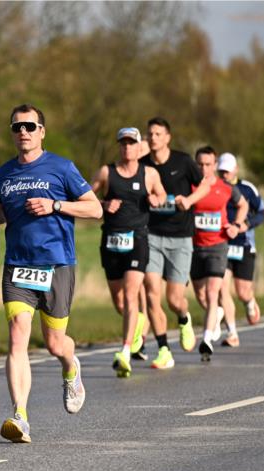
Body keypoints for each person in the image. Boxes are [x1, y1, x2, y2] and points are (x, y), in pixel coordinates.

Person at [0, 104, 102, 443]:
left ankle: (70, 366)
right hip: (18, 264)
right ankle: (20, 415)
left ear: (42, 131)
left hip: (57, 264)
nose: (23, 132)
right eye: (17, 127)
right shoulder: (4, 173)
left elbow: (95, 208)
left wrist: (56, 205)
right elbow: (6, 211)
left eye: (30, 126)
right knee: (18, 334)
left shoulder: (61, 168)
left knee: (54, 343)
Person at [90, 127, 167, 377]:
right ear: (119, 146)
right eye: (123, 143)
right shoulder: (106, 172)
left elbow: (161, 193)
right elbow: (85, 199)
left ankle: (124, 351)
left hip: (138, 238)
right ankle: (138, 322)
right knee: (120, 301)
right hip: (111, 241)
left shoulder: (149, 173)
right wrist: (103, 203)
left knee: (132, 295)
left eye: (131, 143)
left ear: (138, 147)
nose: (127, 147)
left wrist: (157, 200)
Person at [140, 117, 212, 369]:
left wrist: (190, 200)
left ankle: (183, 317)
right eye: (150, 134)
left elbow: (206, 184)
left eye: (158, 134)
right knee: (151, 291)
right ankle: (163, 350)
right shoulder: (143, 165)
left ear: (167, 137)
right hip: (152, 235)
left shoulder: (182, 161)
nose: (153, 138)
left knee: (174, 299)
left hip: (181, 237)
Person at [190, 146, 247, 362]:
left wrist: (237, 224)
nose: (204, 168)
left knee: (213, 292)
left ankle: (206, 340)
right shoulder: (192, 186)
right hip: (195, 247)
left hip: (218, 246)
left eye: (208, 164)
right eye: (200, 164)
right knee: (201, 295)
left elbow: (243, 205)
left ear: (215, 165)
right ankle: (217, 316)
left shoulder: (225, 188)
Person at [216, 153, 264, 347]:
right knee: (222, 288)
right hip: (222, 245)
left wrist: (247, 224)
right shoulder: (214, 188)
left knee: (242, 292)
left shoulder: (247, 189)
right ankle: (232, 333)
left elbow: (262, 212)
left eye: (227, 172)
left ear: (235, 170)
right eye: (221, 171)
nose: (224, 175)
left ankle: (249, 302)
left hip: (244, 244)